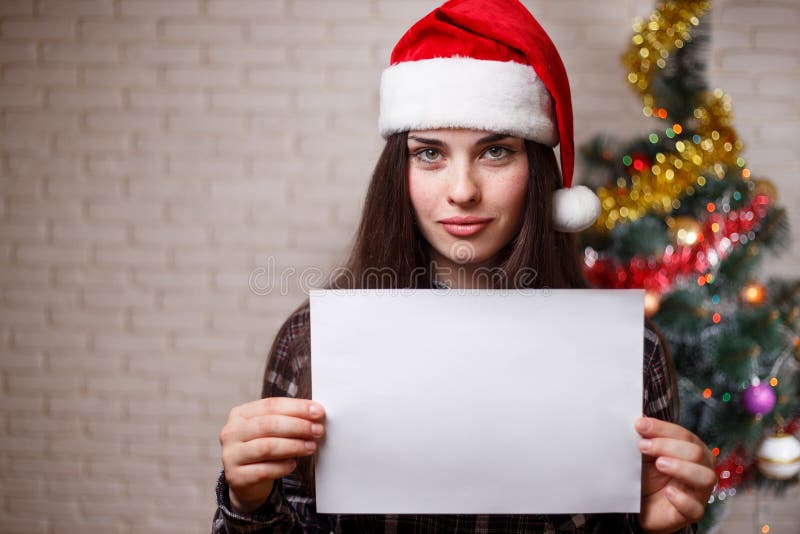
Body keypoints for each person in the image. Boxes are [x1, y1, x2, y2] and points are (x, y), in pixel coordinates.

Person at [212, 0, 717, 532]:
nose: (462, 191)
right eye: (429, 153)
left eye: (495, 151)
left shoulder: (632, 352)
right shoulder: (309, 342)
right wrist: (249, 502)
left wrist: (659, 528)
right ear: (398, 173)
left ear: (538, 173)